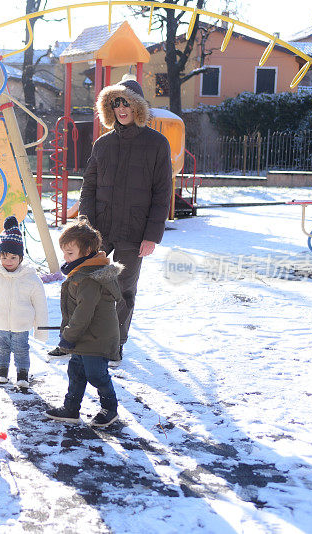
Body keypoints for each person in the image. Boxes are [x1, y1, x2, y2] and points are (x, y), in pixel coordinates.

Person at [79, 76, 172, 364]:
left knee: (124, 289)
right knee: (95, 285)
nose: (122, 109)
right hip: (101, 230)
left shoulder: (157, 144)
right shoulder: (103, 144)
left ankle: (115, 343)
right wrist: (85, 227)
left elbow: (162, 193)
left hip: (135, 232)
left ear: (138, 107)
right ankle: (95, 338)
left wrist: (151, 236)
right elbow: (89, 186)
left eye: (127, 103)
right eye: (116, 103)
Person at [45, 217, 123, 427]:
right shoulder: (82, 272)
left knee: (96, 375)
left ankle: (110, 409)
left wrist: (67, 337)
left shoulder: (89, 278)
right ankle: (71, 408)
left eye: (70, 253)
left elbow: (83, 312)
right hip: (84, 336)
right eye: (64, 252)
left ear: (87, 250)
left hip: (96, 338)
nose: (65, 257)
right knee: (76, 372)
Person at [0, 216, 48, 388]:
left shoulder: (30, 278)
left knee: (21, 349)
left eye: (13, 258)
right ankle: (2, 371)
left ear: (20, 257)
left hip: (21, 323)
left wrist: (41, 329)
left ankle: (22, 373)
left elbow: (40, 304)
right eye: (4, 258)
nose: (8, 262)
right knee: (1, 348)